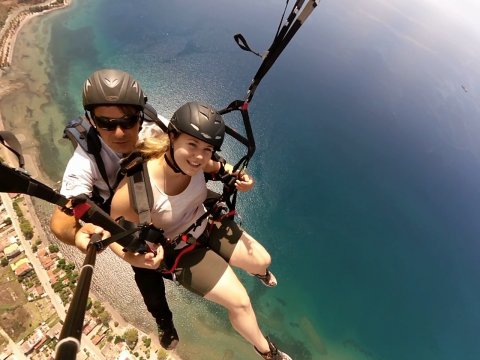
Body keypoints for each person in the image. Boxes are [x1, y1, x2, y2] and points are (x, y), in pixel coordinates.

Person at [104, 101, 291, 359]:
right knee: (239, 300)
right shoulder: (135, 190)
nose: (199, 156)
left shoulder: (198, 163)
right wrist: (135, 258)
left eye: (207, 149)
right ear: (172, 137)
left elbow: (220, 169)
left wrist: (239, 179)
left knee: (262, 260)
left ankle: (259, 271)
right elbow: (115, 235)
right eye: (191, 145)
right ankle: (267, 352)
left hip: (205, 223)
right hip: (180, 250)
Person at [49, 68, 179, 349]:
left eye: (128, 120)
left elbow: (189, 147)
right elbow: (61, 220)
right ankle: (163, 320)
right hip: (122, 214)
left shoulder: (155, 127)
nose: (119, 132)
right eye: (106, 123)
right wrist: (78, 236)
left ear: (140, 115)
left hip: (155, 192)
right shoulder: (85, 160)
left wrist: (224, 169)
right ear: (91, 121)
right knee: (145, 269)